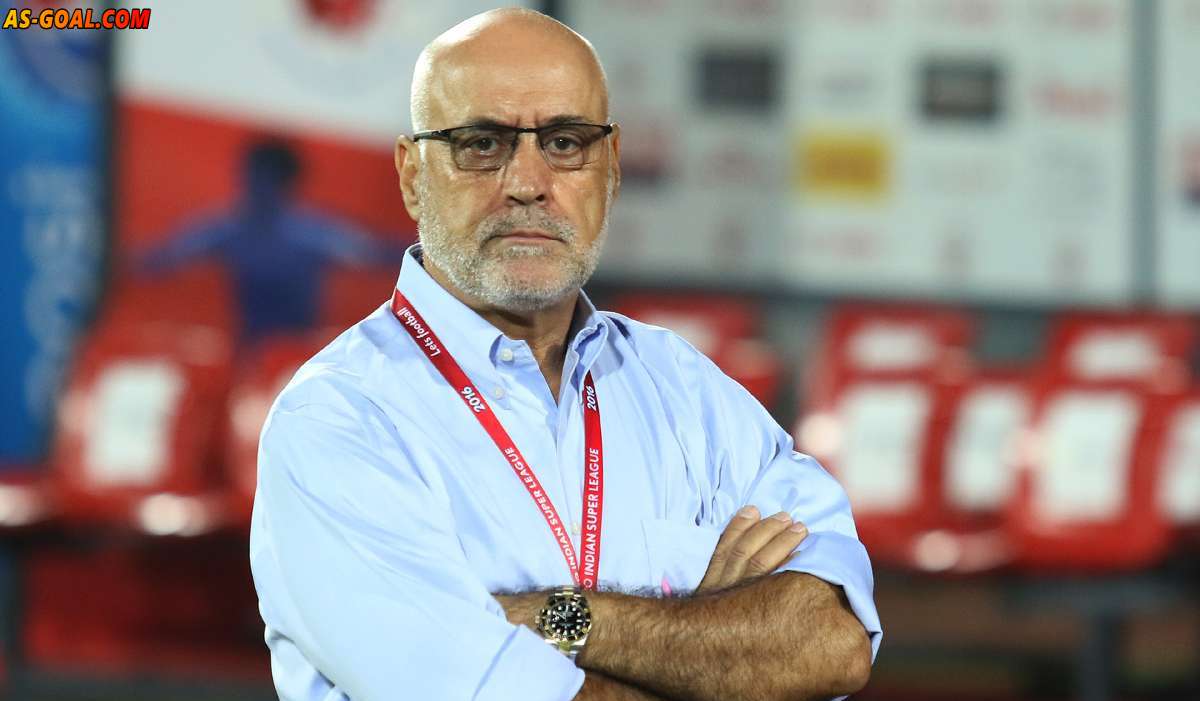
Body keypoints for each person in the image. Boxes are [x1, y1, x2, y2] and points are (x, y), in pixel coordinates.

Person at [250, 8, 880, 701]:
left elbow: (833, 643)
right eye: (481, 143)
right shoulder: (340, 418)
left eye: (564, 142)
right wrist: (712, 644)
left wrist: (552, 616)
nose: (528, 181)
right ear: (411, 175)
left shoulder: (686, 388)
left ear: (610, 169)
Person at [133, 138, 407, 344]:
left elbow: (376, 253)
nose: (257, 188)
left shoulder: (312, 234)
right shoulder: (227, 229)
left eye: (265, 180)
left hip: (297, 354)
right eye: (252, 178)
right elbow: (165, 258)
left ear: (285, 184)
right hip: (247, 348)